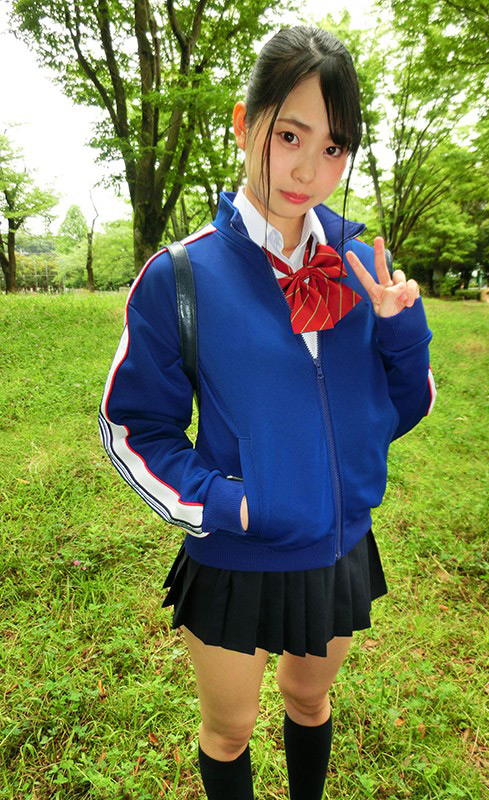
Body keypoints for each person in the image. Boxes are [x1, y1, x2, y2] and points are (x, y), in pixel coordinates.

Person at [99, 25, 435, 800]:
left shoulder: (361, 266)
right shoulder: (181, 276)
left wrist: (399, 331)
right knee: (230, 730)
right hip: (237, 556)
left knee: (310, 701)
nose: (309, 169)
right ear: (245, 123)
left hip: (340, 549)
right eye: (290, 135)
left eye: (333, 147)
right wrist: (230, 504)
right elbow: (133, 428)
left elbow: (404, 409)